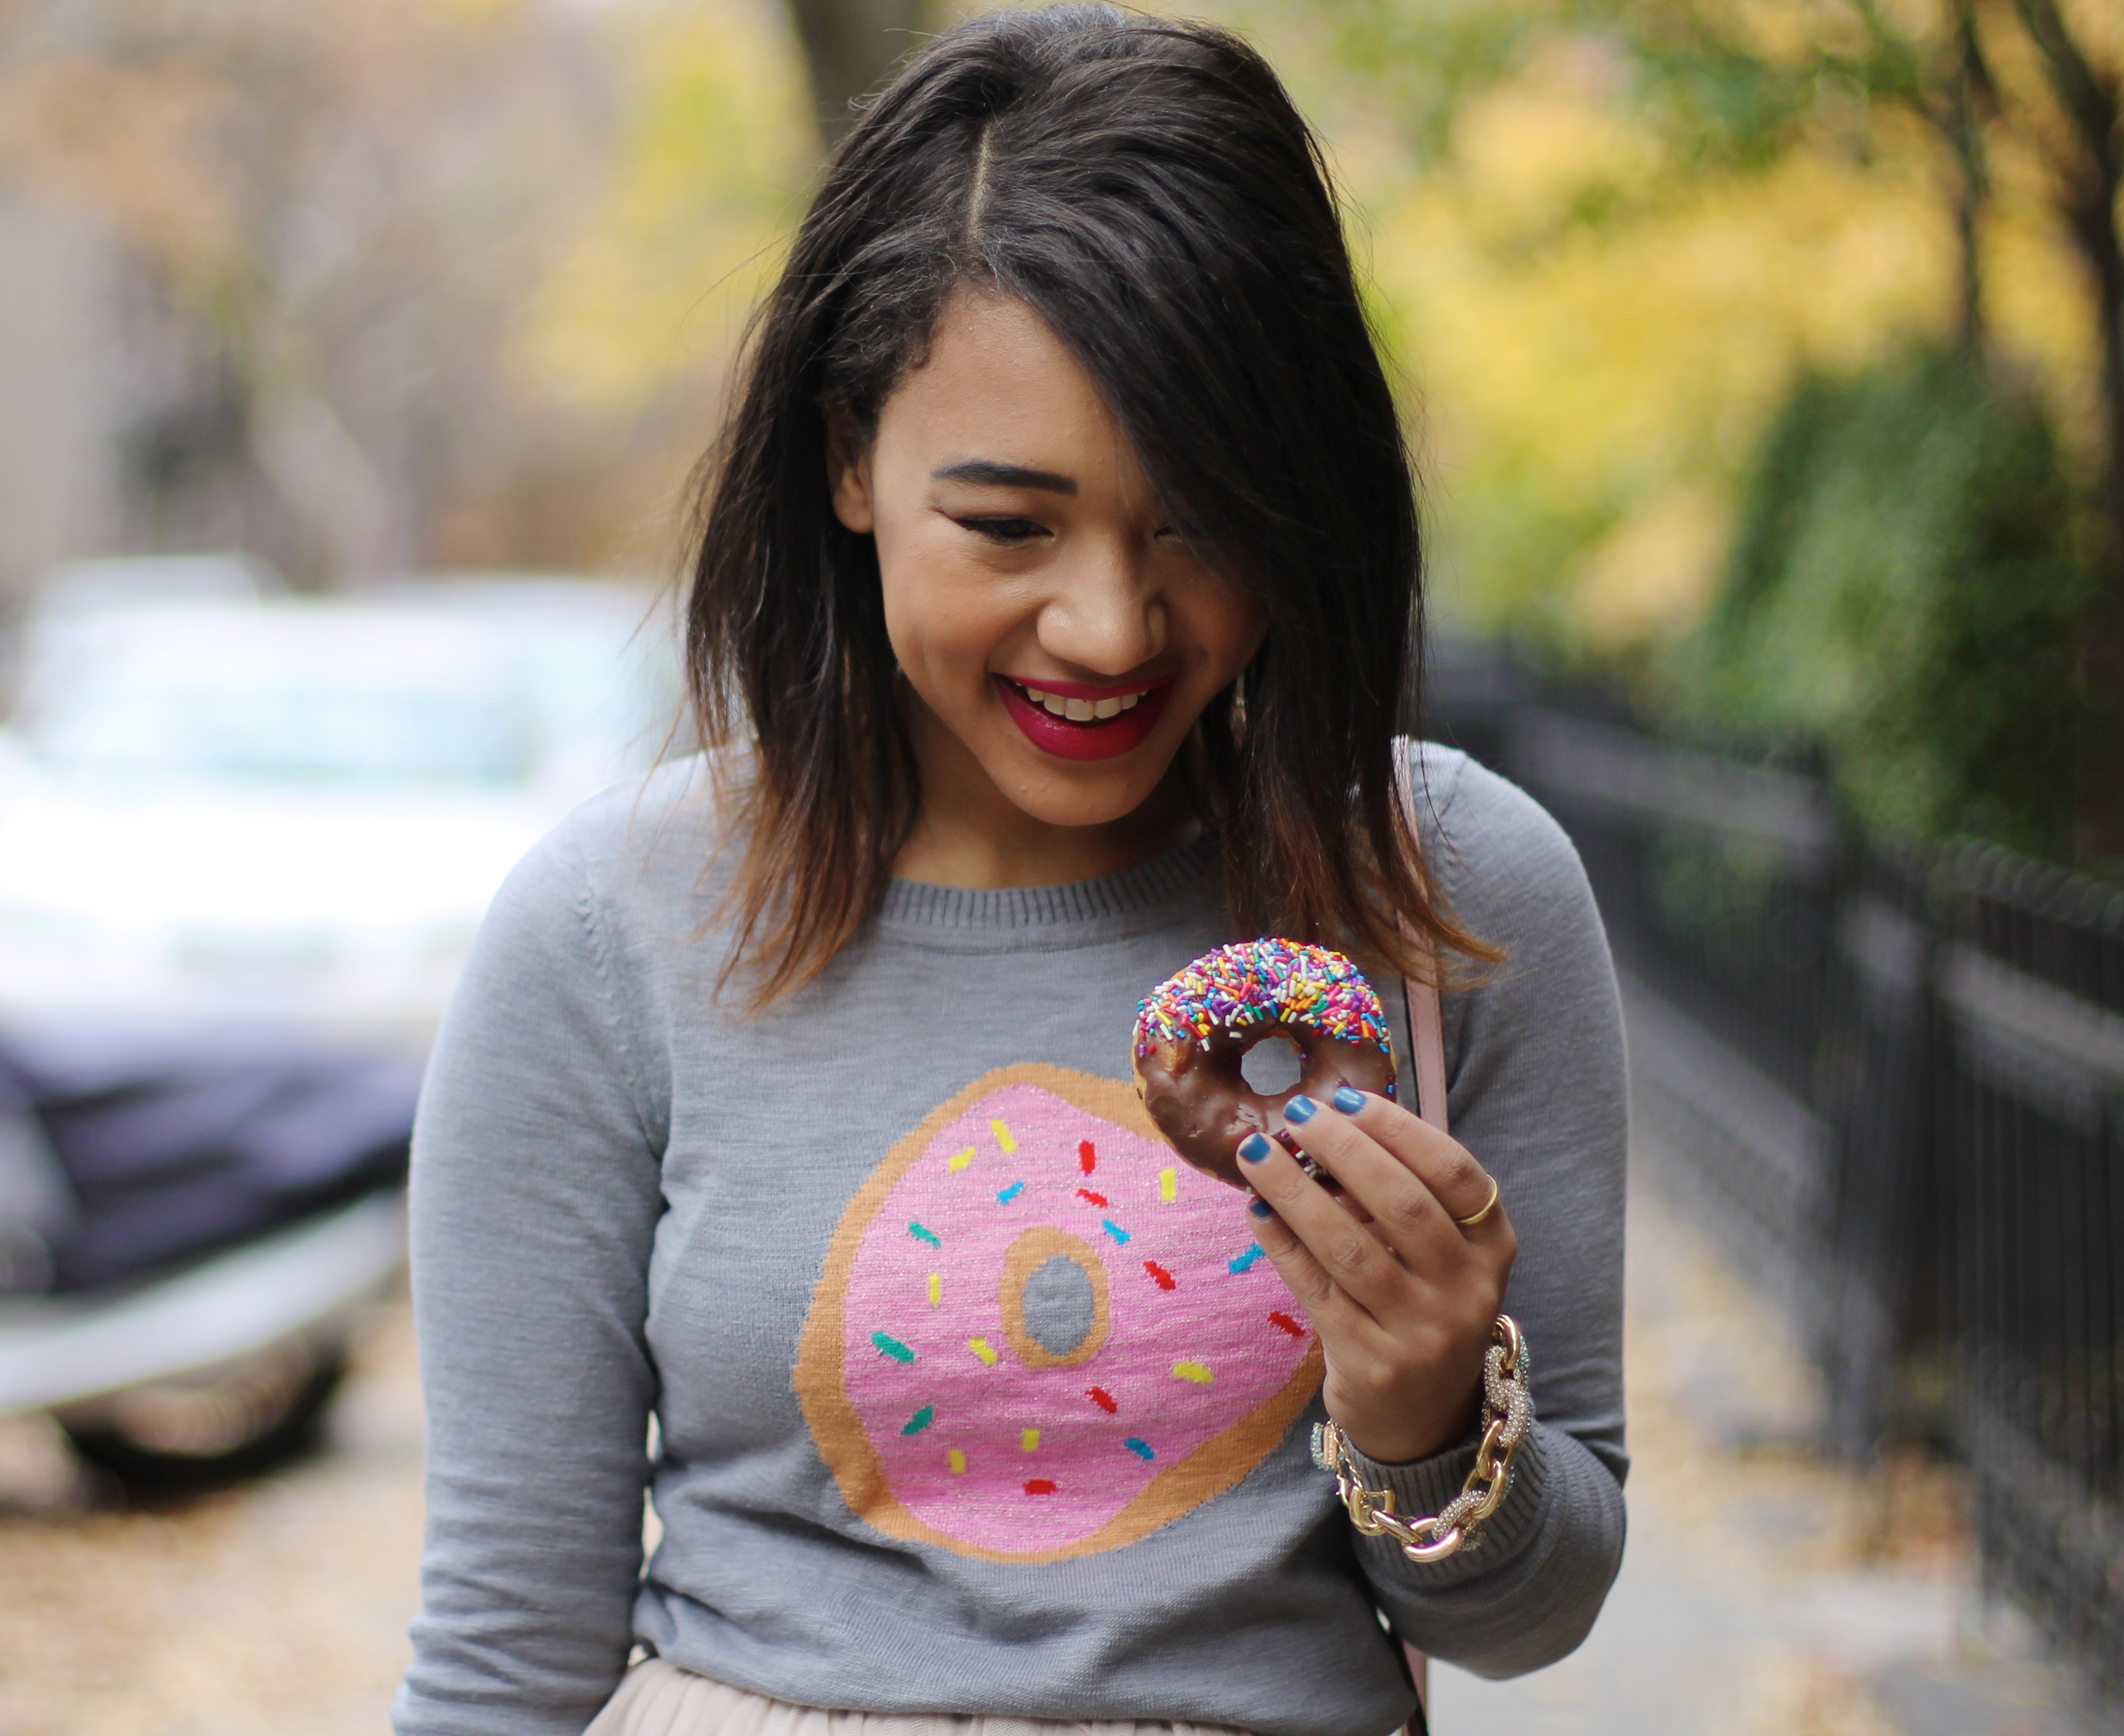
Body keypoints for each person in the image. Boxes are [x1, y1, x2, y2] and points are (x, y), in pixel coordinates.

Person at [392, 10, 1627, 1735]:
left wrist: (1425, 1411)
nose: (1110, 625)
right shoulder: (613, 930)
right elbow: (504, 1656)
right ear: (848, 458)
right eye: (1009, 526)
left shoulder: (1446, 894)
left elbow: (1534, 1617)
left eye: (1199, 518)